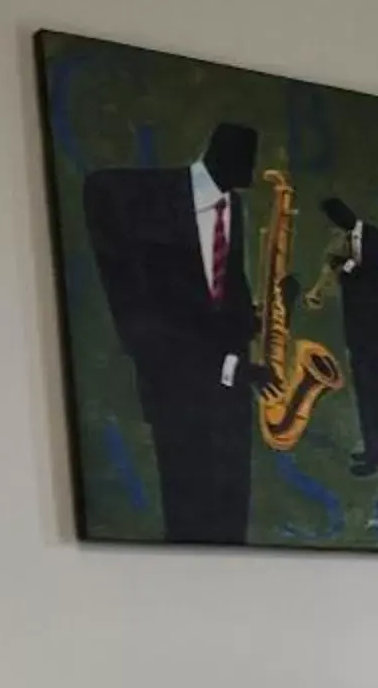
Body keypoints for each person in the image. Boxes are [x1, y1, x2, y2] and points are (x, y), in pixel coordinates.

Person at [84, 122, 260, 541]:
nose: (254, 170)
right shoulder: (146, 199)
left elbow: (222, 291)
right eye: (248, 157)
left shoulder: (234, 206)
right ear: (224, 154)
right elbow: (148, 316)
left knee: (232, 523)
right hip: (177, 386)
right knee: (187, 519)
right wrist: (228, 366)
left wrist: (253, 318)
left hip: (231, 393)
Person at [319, 195, 378, 476]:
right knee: (366, 395)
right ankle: (373, 450)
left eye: (333, 226)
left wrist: (344, 270)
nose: (333, 232)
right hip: (359, 335)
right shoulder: (356, 244)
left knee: (375, 394)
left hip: (375, 336)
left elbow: (377, 287)